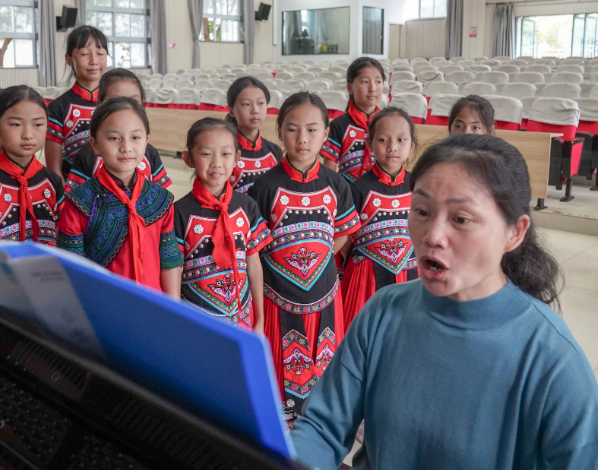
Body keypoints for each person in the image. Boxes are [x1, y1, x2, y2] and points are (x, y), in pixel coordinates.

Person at [290, 134, 598, 470]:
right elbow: (322, 427)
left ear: (515, 232)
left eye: (460, 219)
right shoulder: (382, 312)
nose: (432, 235)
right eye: (422, 211)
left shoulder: (552, 361)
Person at [248, 92, 361, 426]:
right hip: (277, 296)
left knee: (323, 360)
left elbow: (342, 234)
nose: (302, 139)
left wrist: (320, 258)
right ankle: (279, 423)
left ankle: (317, 421)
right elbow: (255, 247)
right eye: (293, 129)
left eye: (312, 130)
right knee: (279, 364)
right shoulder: (264, 187)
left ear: (326, 134)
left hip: (324, 293)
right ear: (279, 132)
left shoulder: (336, 184)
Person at [57, 97, 183, 299]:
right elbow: (71, 269)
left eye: (135, 137)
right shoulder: (79, 202)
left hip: (152, 306)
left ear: (147, 141)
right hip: (102, 307)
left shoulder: (161, 200)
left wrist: (172, 309)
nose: (126, 147)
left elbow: (170, 262)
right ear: (95, 144)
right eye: (114, 138)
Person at [174, 118, 271, 333]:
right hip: (196, 323)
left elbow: (253, 264)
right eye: (206, 154)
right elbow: (174, 272)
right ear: (188, 158)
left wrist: (259, 319)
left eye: (225, 154)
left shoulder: (246, 206)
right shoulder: (179, 212)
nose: (217, 163)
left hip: (242, 320)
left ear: (237, 157)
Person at [340, 107, 419, 333]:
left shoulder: (418, 186)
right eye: (383, 140)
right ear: (370, 143)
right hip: (365, 280)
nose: (392, 147)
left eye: (401, 140)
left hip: (410, 276)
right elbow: (345, 241)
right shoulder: (357, 189)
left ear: (411, 144)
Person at [0, 86, 64, 245]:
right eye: (16, 124)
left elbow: (63, 236)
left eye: (38, 124)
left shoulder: (53, 182)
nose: (28, 135)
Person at [65, 68, 171, 193]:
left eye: (134, 101)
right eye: (115, 101)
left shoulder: (150, 152)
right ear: (99, 105)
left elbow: (160, 196)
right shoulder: (87, 156)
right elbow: (77, 198)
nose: (125, 107)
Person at [46, 26, 108, 179]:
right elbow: (54, 167)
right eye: (85, 54)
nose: (94, 61)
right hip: (73, 188)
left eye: (100, 54)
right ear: (69, 59)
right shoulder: (58, 107)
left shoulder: (115, 104)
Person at [320, 57, 385, 182]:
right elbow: (329, 172)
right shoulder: (339, 125)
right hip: (347, 190)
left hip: (379, 190)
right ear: (349, 87)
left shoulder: (387, 124)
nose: (372, 88)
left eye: (378, 81)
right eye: (365, 81)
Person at [225, 77, 282, 193]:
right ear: (231, 111)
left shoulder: (274, 151)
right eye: (246, 104)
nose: (255, 110)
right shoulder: (224, 151)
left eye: (260, 103)